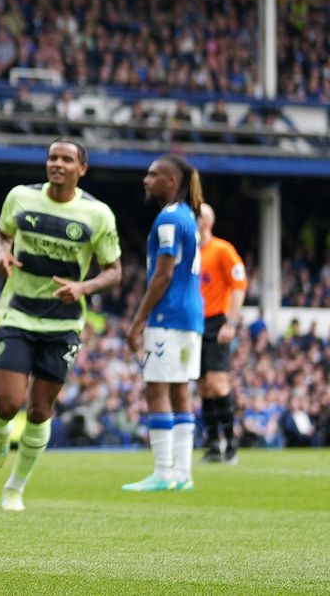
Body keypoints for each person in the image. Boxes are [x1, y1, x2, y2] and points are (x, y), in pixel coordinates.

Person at [0, 138, 122, 511]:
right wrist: (2, 254)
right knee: (10, 403)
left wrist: (83, 286)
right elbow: (1, 235)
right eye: (52, 157)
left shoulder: (97, 215)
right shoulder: (20, 197)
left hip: (62, 323)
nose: (57, 164)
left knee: (40, 410)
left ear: (82, 169)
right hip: (18, 312)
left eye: (66, 159)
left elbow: (114, 271)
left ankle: (15, 487)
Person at [124, 155, 205, 493]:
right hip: (191, 318)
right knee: (179, 390)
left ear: (171, 181)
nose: (146, 179)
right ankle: (183, 473)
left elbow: (164, 272)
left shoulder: (169, 219)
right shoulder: (189, 217)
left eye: (153, 174)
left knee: (156, 389)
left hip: (167, 317)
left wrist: (139, 318)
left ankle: (163, 472)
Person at [197, 203, 248, 464]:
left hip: (217, 322)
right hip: (194, 323)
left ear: (206, 222)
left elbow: (239, 285)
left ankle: (231, 442)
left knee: (218, 384)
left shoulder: (222, 250)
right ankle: (214, 444)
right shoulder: (190, 253)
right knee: (204, 387)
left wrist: (231, 322)